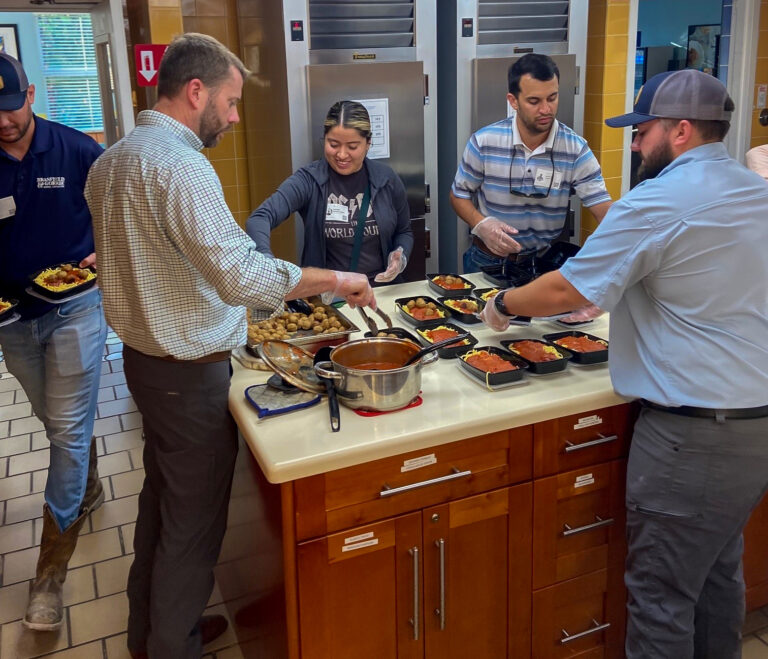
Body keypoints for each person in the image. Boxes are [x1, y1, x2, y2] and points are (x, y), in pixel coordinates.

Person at [85, 33, 374, 659]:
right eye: (232, 101)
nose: (236, 116)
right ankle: (172, 647)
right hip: (186, 376)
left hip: (141, 364)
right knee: (192, 525)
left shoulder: (111, 160)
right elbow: (240, 274)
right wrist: (339, 280)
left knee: (161, 508)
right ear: (197, 92)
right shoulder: (182, 165)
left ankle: (158, 632)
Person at [479, 69, 768, 658]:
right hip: (753, 427)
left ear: (680, 131)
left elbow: (564, 292)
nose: (635, 144)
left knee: (662, 600)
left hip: (692, 437)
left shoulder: (659, 198)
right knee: (715, 583)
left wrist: (503, 304)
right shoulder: (754, 189)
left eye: (643, 131)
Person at [0, 52, 106, 631]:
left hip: (74, 307)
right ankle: (86, 480)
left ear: (32, 94)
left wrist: (106, 249)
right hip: (12, 321)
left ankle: (49, 574)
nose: (4, 122)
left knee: (66, 429)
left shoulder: (76, 150)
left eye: (11, 108)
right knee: (55, 418)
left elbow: (122, 206)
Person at [450, 53, 612, 274]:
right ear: (513, 101)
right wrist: (481, 224)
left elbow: (603, 210)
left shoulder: (575, 149)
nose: (546, 109)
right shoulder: (484, 141)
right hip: (486, 259)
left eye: (552, 98)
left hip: (544, 264)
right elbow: (459, 195)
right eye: (534, 101)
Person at [246, 100, 412, 283]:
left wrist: (400, 254)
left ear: (368, 143)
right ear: (324, 139)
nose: (341, 155)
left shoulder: (386, 179)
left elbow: (404, 231)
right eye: (333, 144)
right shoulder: (309, 180)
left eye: (352, 147)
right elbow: (260, 217)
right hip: (329, 297)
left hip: (381, 292)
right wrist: (266, 262)